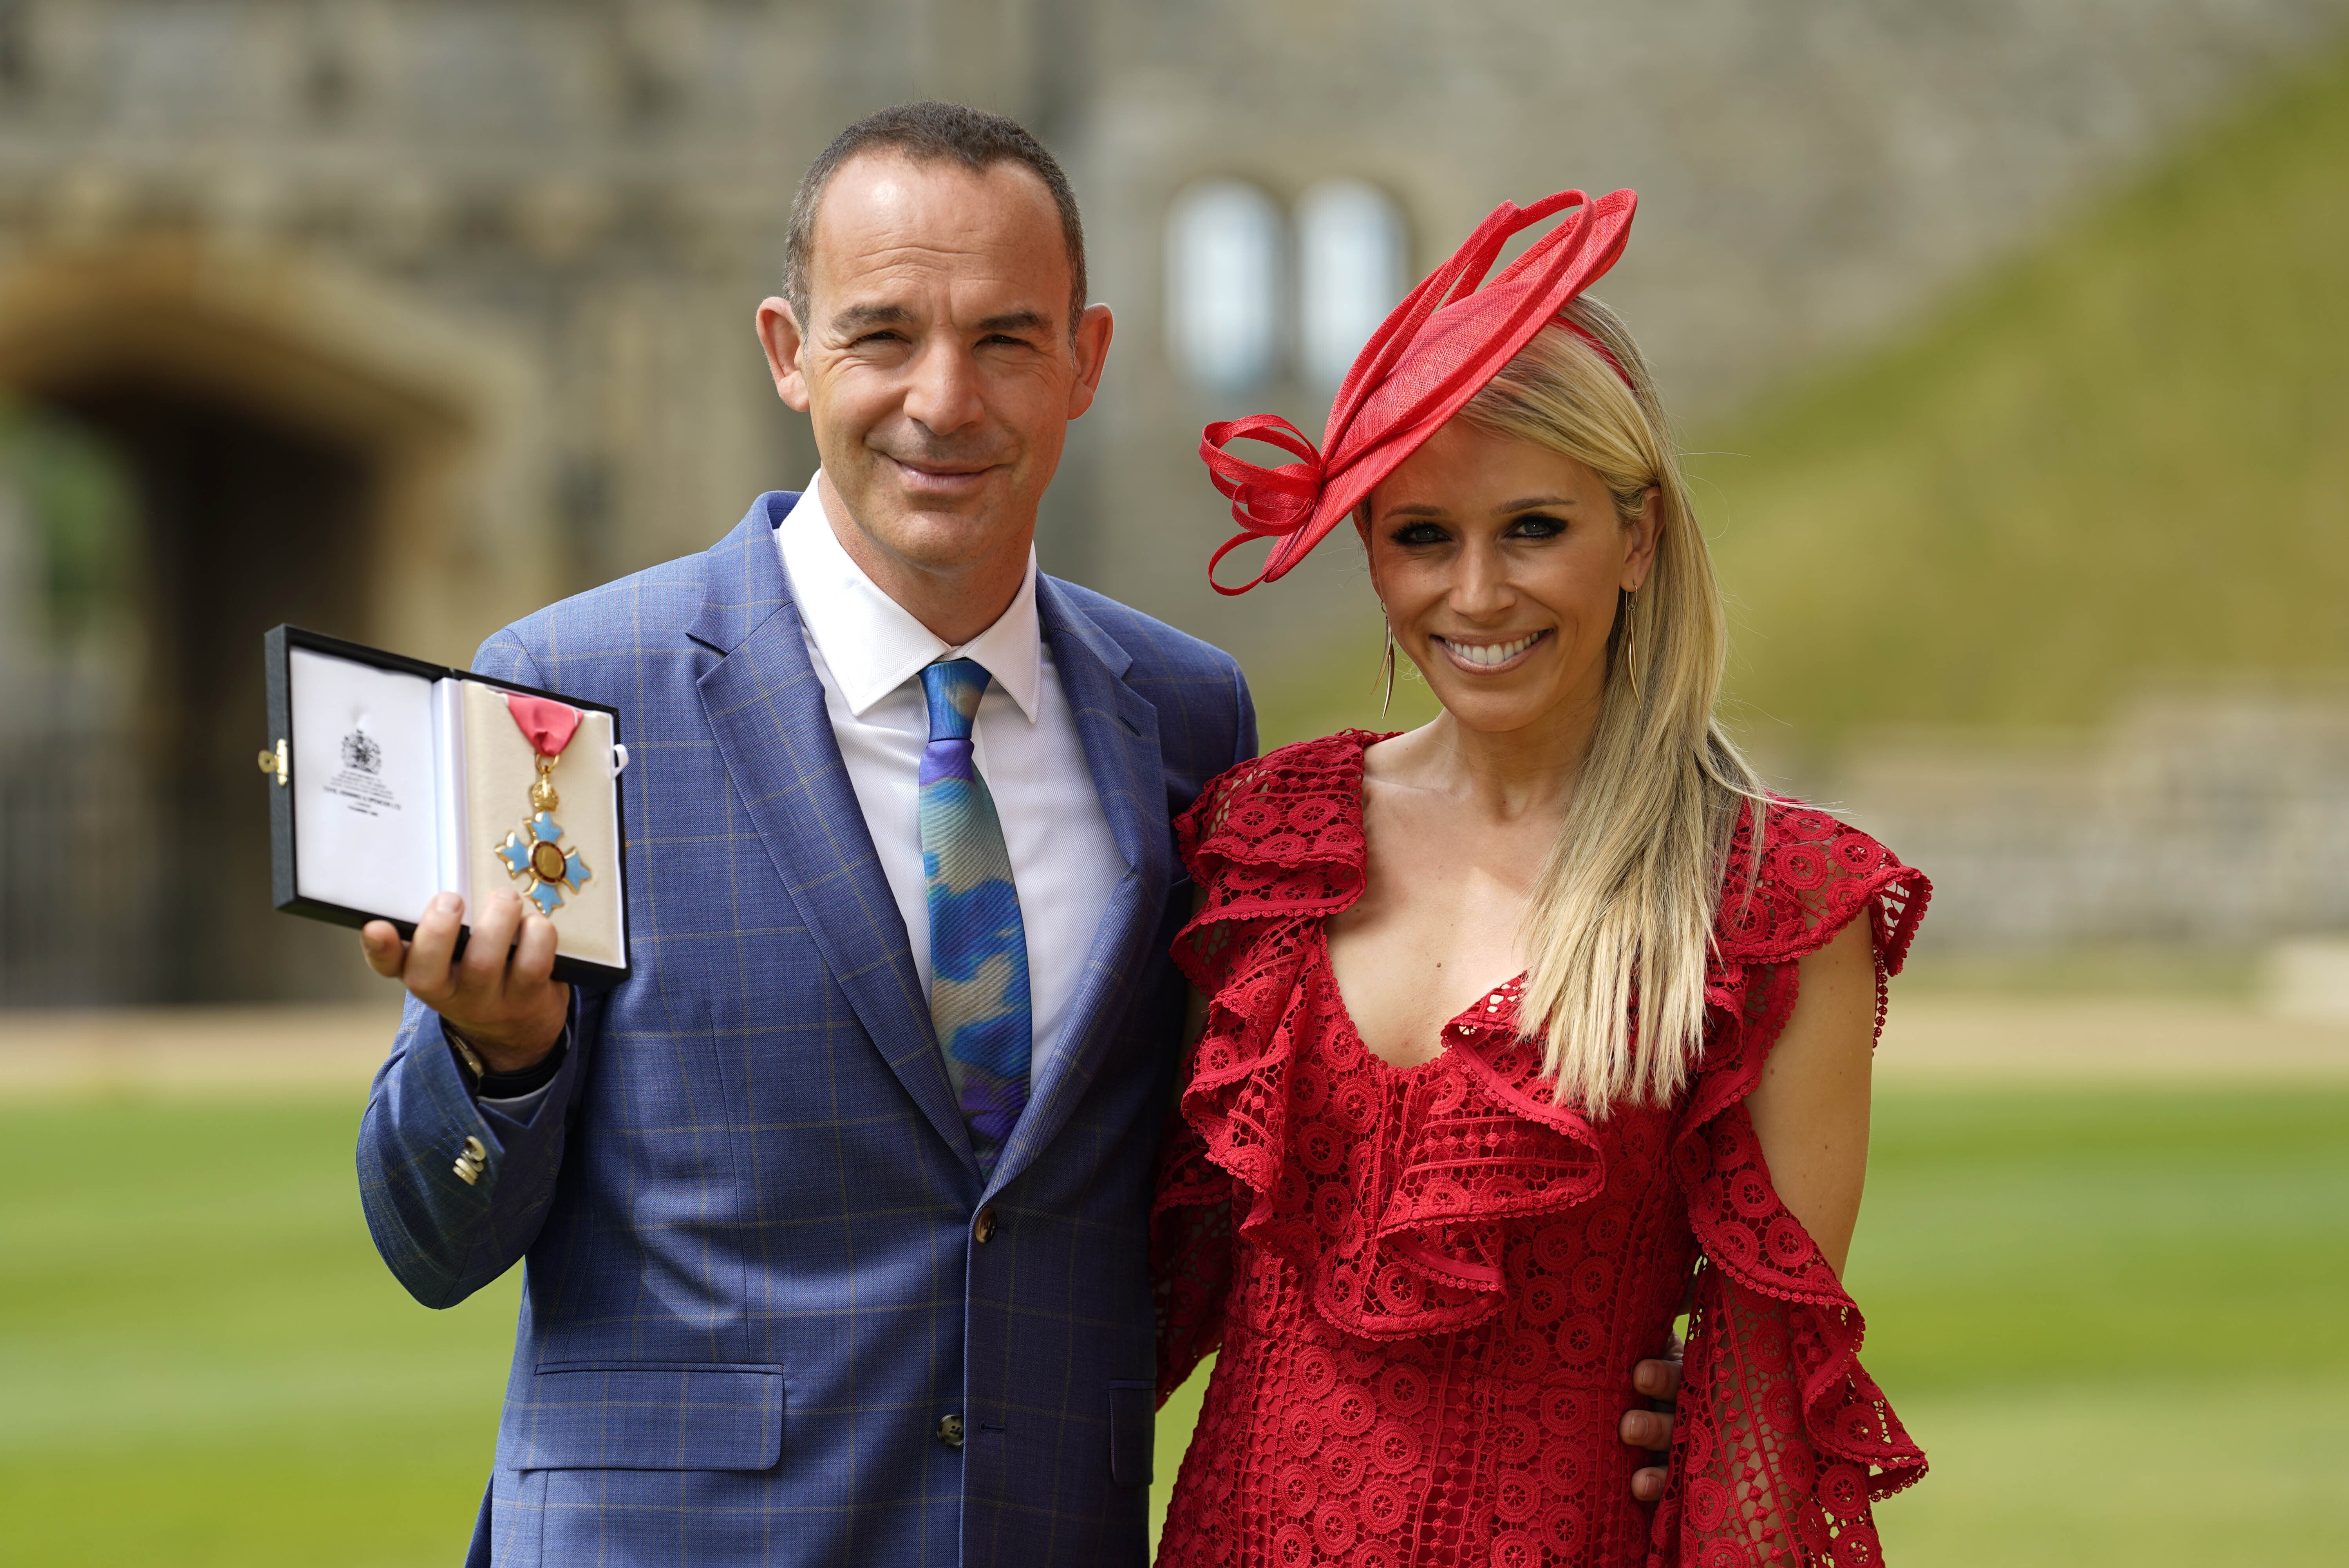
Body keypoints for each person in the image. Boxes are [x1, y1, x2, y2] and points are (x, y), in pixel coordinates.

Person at [352, 103, 1686, 1566]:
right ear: (788, 353)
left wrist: (1604, 1389)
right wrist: (500, 1062)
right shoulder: (569, 689)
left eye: (1003, 338)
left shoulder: (1187, 722)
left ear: (1086, 361)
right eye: (881, 336)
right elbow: (430, 1243)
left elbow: (1264, 1197)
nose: (946, 398)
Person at [1150, 189, 1931, 1567]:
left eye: (1532, 529)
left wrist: (1710, 1421)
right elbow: (1125, 1283)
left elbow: (1757, 1438)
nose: (1477, 596)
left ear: (1637, 540)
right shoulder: (1256, 840)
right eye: (1422, 537)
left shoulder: (1773, 907)